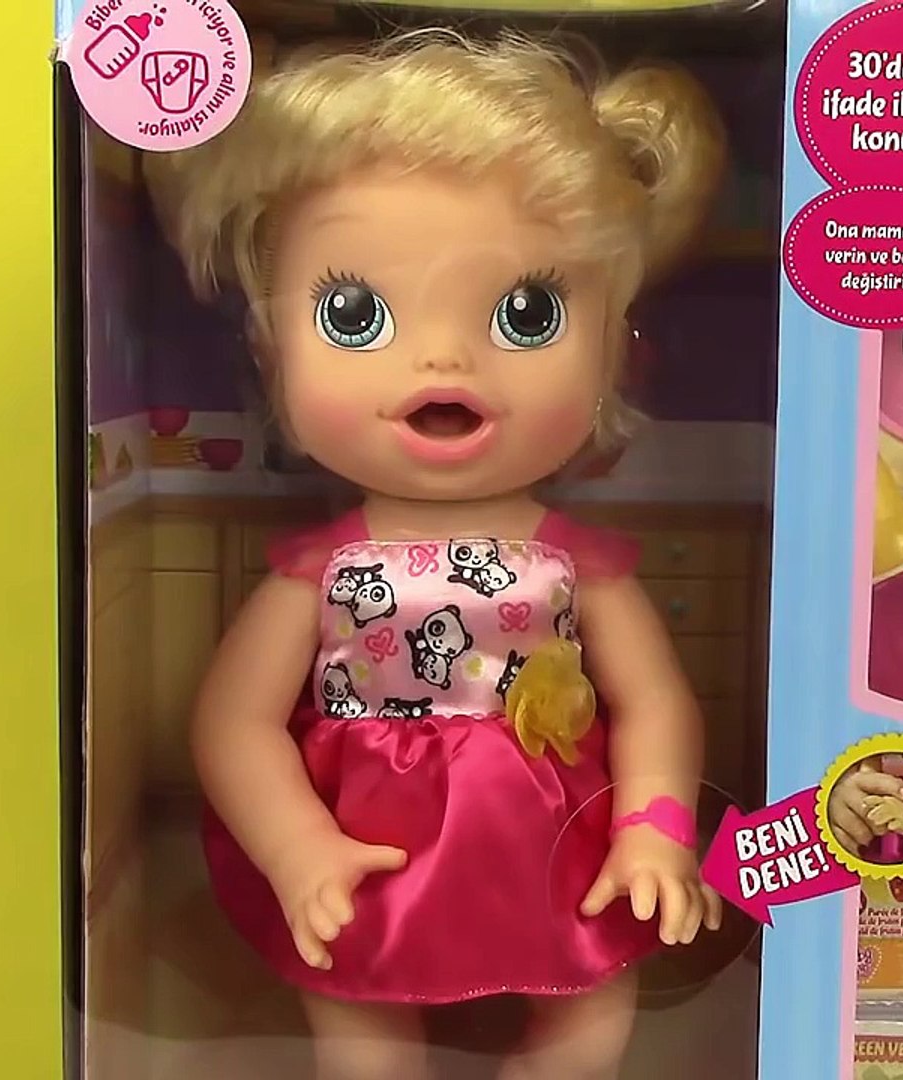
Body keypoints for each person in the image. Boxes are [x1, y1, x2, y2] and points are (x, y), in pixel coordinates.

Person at [150, 31, 727, 1079]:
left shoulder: (576, 560)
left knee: (592, 1015)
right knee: (357, 1026)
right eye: (354, 314)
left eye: (527, 314)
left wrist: (654, 824)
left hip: (553, 840)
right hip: (370, 844)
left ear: (611, 350)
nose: (445, 356)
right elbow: (234, 722)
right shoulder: (318, 568)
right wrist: (296, 847)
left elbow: (655, 702)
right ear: (272, 352)